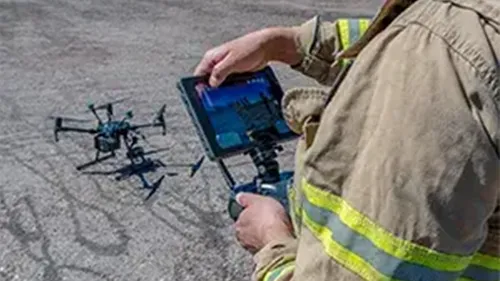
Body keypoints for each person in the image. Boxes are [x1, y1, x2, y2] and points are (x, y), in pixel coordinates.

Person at [194, 0, 500, 280]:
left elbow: (437, 43)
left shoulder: (446, 50)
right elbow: (402, 34)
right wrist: (287, 43)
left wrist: (273, 244)